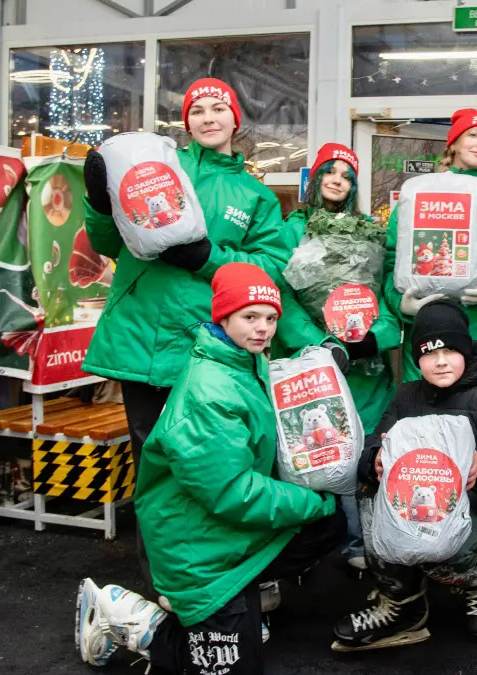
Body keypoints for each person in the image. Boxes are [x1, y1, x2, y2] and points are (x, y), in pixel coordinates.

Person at [76, 263, 345, 674]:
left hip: (217, 529)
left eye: (270, 318)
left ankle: (236, 610)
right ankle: (136, 623)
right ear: (223, 317)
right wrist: (315, 500)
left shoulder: (242, 361)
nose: (263, 329)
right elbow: (231, 492)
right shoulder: (211, 390)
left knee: (329, 525)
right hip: (197, 548)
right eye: (249, 317)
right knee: (232, 670)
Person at [81, 78, 291, 591]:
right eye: (198, 109)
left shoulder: (254, 194)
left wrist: (207, 258)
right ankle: (165, 591)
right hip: (140, 343)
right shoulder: (155, 167)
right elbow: (111, 243)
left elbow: (270, 267)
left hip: (209, 350)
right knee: (154, 474)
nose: (209, 117)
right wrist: (98, 199)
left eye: (219, 108)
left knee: (219, 465)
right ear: (187, 121)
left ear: (235, 120)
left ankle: (226, 583)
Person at [331, 299, 477, 651]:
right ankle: (403, 606)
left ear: (467, 351)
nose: (440, 361)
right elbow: (371, 452)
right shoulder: (406, 398)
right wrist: (376, 460)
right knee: (369, 502)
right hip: (418, 507)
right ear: (417, 358)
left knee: (440, 551)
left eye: (451, 350)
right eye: (428, 352)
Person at [274, 142, 399, 573]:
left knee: (360, 448)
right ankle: (308, 544)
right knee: (309, 449)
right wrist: (318, 346)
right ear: (314, 179)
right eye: (330, 172)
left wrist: (369, 340)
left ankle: (361, 539)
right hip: (310, 363)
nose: (337, 181)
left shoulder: (369, 229)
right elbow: (284, 295)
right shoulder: (291, 229)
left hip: (364, 368)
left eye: (346, 176)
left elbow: (383, 297)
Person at [383, 108, 477, 395]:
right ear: (453, 144)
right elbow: (391, 260)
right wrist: (401, 302)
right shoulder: (419, 193)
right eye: (473, 134)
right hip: (431, 345)